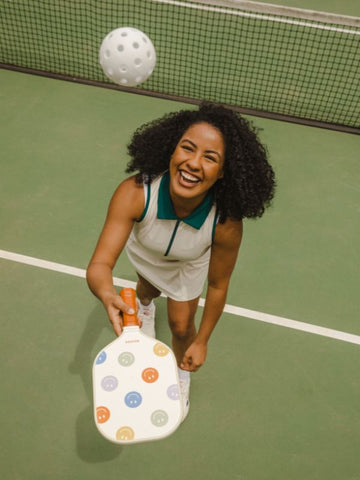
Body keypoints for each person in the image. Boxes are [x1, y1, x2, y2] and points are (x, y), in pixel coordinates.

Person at [86, 102, 275, 420]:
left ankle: (179, 372)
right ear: (172, 151)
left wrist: (202, 341)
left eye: (210, 158)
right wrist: (107, 295)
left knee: (181, 324)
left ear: (223, 172)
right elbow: (100, 265)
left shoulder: (225, 222)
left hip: (188, 265)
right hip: (146, 252)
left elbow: (217, 285)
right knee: (146, 289)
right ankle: (145, 305)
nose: (193, 164)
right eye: (187, 149)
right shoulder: (135, 193)